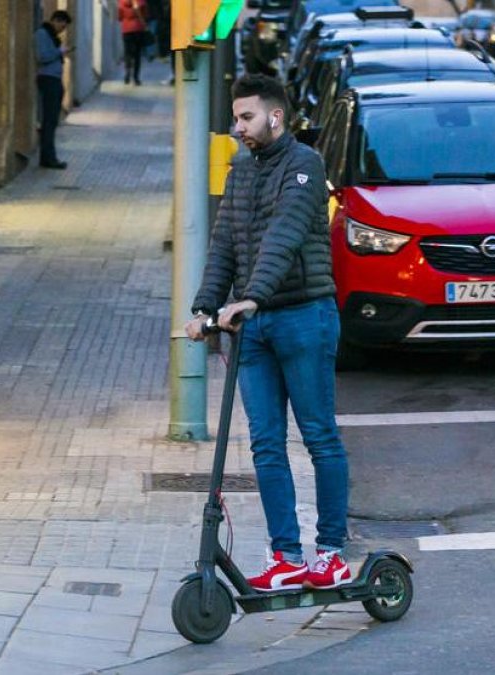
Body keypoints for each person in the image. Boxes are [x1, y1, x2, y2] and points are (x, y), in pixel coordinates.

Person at [184, 74, 352, 593]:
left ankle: (330, 554)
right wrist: (205, 307)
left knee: (319, 436)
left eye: (246, 118)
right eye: (236, 119)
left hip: (304, 317)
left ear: (275, 117)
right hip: (252, 327)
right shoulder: (240, 173)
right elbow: (225, 245)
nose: (238, 128)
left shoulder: (305, 165)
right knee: (265, 445)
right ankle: (287, 556)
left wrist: (250, 296)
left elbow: (284, 234)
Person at [35, 10, 72, 170]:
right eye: (61, 26)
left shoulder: (50, 35)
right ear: (55, 21)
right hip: (48, 79)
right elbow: (42, 57)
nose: (61, 30)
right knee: (49, 121)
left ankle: (47, 157)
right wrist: (60, 51)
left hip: (54, 79)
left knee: (51, 121)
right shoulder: (42, 34)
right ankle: (49, 158)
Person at [119, 0, 148, 86]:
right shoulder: (141, 1)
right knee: (137, 54)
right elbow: (146, 15)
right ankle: (136, 78)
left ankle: (127, 73)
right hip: (138, 29)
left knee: (127, 53)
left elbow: (120, 16)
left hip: (126, 29)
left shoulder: (122, 2)